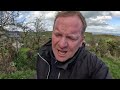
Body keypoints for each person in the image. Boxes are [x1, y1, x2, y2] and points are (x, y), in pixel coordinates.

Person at [36, 11, 112, 79]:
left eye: (71, 38)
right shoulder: (42, 55)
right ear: (52, 34)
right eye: (58, 34)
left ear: (81, 40)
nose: (62, 44)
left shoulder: (96, 68)